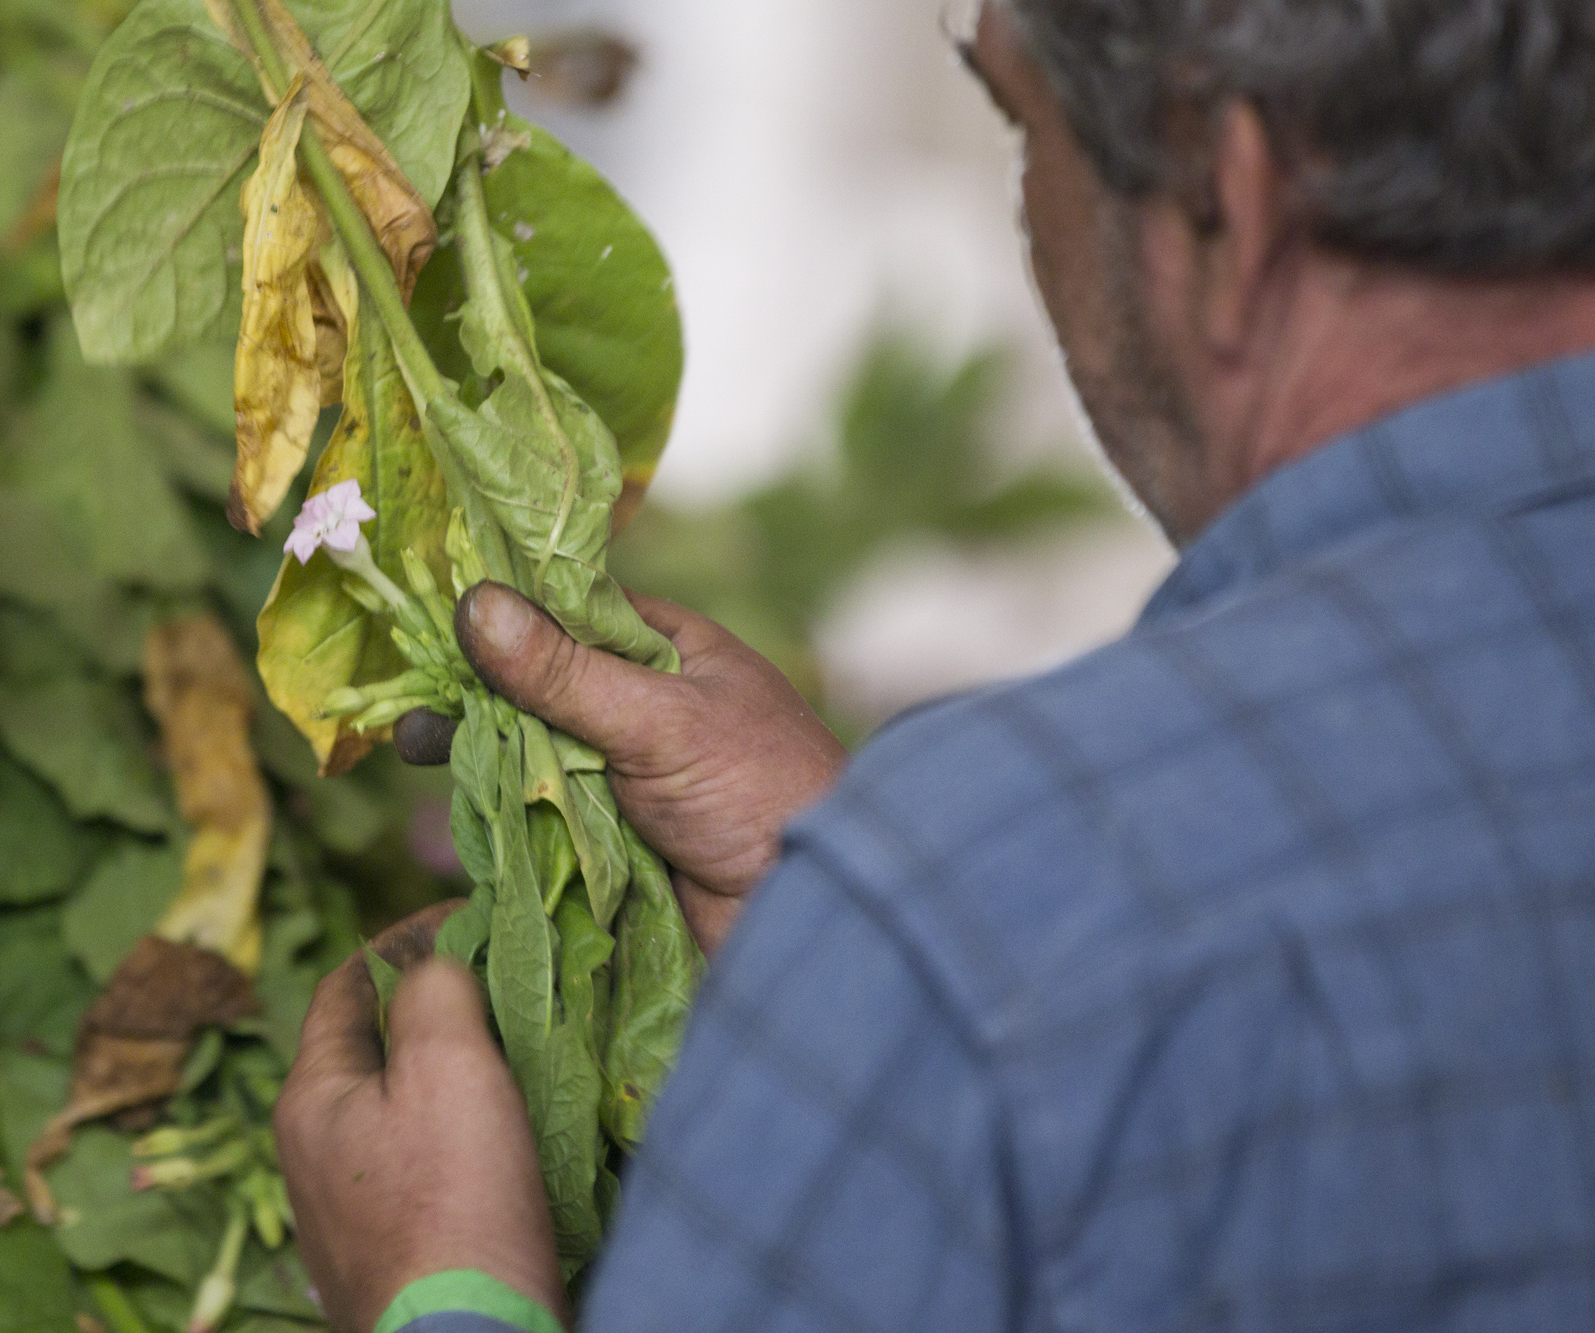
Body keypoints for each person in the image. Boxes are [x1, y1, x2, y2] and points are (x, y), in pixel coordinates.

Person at [273, 0, 1595, 1328]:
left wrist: (441, 1285)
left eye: (1025, 130)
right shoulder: (999, 905)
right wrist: (869, 906)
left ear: (1224, 192)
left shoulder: (992, 908)